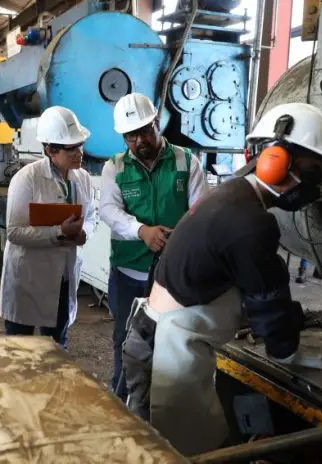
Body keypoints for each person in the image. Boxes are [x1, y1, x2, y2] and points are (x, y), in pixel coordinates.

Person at [121, 103, 322, 455]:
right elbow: (268, 299)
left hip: (155, 338)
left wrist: (291, 325)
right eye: (313, 170)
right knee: (173, 454)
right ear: (277, 161)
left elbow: (250, 285)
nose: (315, 183)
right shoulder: (250, 221)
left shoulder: (233, 195)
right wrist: (288, 346)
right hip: (165, 351)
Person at [100, 92, 207, 400]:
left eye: (145, 130)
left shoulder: (187, 161)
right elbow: (108, 209)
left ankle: (165, 403)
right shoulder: (115, 167)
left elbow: (200, 211)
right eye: (131, 136)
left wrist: (182, 236)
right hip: (128, 272)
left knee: (173, 339)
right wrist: (142, 230)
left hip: (172, 275)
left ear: (157, 123)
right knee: (125, 337)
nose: (139, 140)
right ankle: (123, 401)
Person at [0, 106, 96, 348]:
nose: (79, 152)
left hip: (63, 276)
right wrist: (59, 232)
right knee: (20, 350)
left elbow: (92, 217)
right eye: (71, 148)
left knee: (56, 347)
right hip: (29, 278)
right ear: (50, 150)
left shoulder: (82, 178)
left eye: (80, 145)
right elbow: (14, 232)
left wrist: (85, 233)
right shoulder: (27, 178)